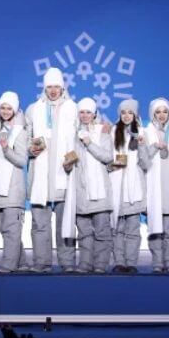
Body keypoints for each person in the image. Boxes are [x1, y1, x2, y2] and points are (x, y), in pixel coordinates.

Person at [26, 68, 78, 273]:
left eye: (57, 86)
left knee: (65, 223)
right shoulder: (34, 109)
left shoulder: (73, 108)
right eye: (50, 87)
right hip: (40, 174)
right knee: (40, 223)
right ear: (44, 87)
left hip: (64, 173)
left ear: (63, 87)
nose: (53, 90)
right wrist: (30, 149)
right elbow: (26, 138)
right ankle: (41, 261)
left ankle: (67, 262)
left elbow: (81, 133)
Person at [62, 98, 114, 273]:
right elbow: (70, 158)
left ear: (95, 114)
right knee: (84, 231)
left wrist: (89, 143)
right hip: (80, 190)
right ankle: (85, 263)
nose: (85, 116)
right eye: (82, 112)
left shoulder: (103, 132)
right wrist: (67, 164)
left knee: (102, 231)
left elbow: (108, 157)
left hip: (99, 190)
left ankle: (100, 264)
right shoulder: (72, 134)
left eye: (88, 112)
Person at [0, 91, 29, 273]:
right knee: (7, 229)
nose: (6, 111)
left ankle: (9, 264)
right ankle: (22, 262)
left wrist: (6, 149)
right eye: (3, 107)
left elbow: (22, 160)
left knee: (11, 229)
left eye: (9, 108)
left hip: (13, 188)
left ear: (15, 110)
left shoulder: (20, 132)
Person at [143, 98, 169, 273]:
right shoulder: (145, 132)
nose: (162, 115)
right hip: (153, 187)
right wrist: (154, 147)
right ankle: (157, 262)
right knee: (154, 228)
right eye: (158, 112)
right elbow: (142, 160)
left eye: (165, 111)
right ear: (152, 114)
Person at [108, 98, 150, 274]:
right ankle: (119, 262)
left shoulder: (142, 132)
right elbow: (106, 161)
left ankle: (131, 262)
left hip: (135, 190)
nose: (126, 116)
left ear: (135, 114)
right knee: (117, 229)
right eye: (123, 112)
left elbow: (146, 164)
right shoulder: (111, 132)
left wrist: (141, 145)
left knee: (133, 229)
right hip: (116, 188)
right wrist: (113, 165)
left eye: (130, 112)